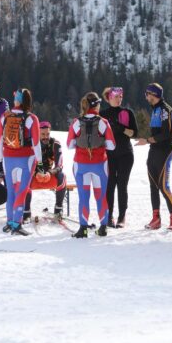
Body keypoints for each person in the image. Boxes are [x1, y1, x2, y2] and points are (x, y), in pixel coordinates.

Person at [66, 92, 116, 238]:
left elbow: (69, 144)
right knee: (101, 196)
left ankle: (83, 229)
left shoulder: (76, 122)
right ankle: (103, 228)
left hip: (81, 166)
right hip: (100, 165)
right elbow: (112, 145)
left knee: (83, 197)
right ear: (96, 105)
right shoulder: (103, 122)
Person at [0, 88, 42, 235]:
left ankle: (9, 223)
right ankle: (17, 224)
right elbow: (36, 143)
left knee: (10, 191)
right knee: (21, 192)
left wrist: (1, 159)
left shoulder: (5, 116)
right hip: (26, 158)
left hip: (8, 158)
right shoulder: (31, 118)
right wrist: (40, 162)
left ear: (16, 100)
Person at [136, 83, 172, 231]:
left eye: (147, 94)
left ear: (153, 95)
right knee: (153, 185)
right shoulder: (155, 109)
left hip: (164, 152)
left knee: (164, 187)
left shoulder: (165, 109)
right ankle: (156, 219)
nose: (146, 97)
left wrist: (147, 140)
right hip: (154, 151)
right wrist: (149, 141)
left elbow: (166, 134)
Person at [100, 87, 138, 228]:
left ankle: (122, 217)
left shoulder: (127, 112)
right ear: (109, 98)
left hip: (125, 155)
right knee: (110, 185)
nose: (119, 99)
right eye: (116, 96)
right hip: (109, 155)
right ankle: (109, 216)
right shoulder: (102, 114)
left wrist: (121, 128)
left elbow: (134, 133)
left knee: (122, 185)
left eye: (121, 96)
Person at [23, 121, 67, 222]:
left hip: (49, 176)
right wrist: (35, 173)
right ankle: (26, 212)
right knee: (24, 176)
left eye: (47, 134)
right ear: (37, 133)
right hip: (34, 176)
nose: (45, 137)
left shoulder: (55, 144)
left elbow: (60, 165)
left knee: (62, 176)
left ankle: (58, 210)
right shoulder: (31, 144)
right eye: (42, 134)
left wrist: (50, 173)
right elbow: (26, 165)